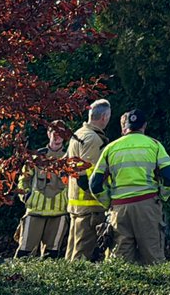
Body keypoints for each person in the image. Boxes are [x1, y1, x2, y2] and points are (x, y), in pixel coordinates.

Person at [90, 109, 170, 265]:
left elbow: (95, 184)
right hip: (147, 207)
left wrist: (108, 202)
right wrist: (162, 196)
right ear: (144, 125)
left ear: (126, 126)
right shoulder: (154, 146)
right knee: (154, 261)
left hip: (119, 210)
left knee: (120, 264)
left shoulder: (111, 148)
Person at [14, 122, 71, 258]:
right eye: (54, 132)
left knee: (51, 256)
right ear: (48, 133)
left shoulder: (69, 158)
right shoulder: (36, 157)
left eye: (61, 133)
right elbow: (23, 180)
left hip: (59, 213)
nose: (57, 136)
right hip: (35, 212)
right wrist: (26, 197)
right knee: (24, 254)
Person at [65, 98, 111, 261]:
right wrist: (104, 198)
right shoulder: (93, 139)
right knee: (83, 253)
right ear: (104, 117)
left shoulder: (77, 135)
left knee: (73, 250)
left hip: (76, 203)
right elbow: (87, 177)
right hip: (90, 205)